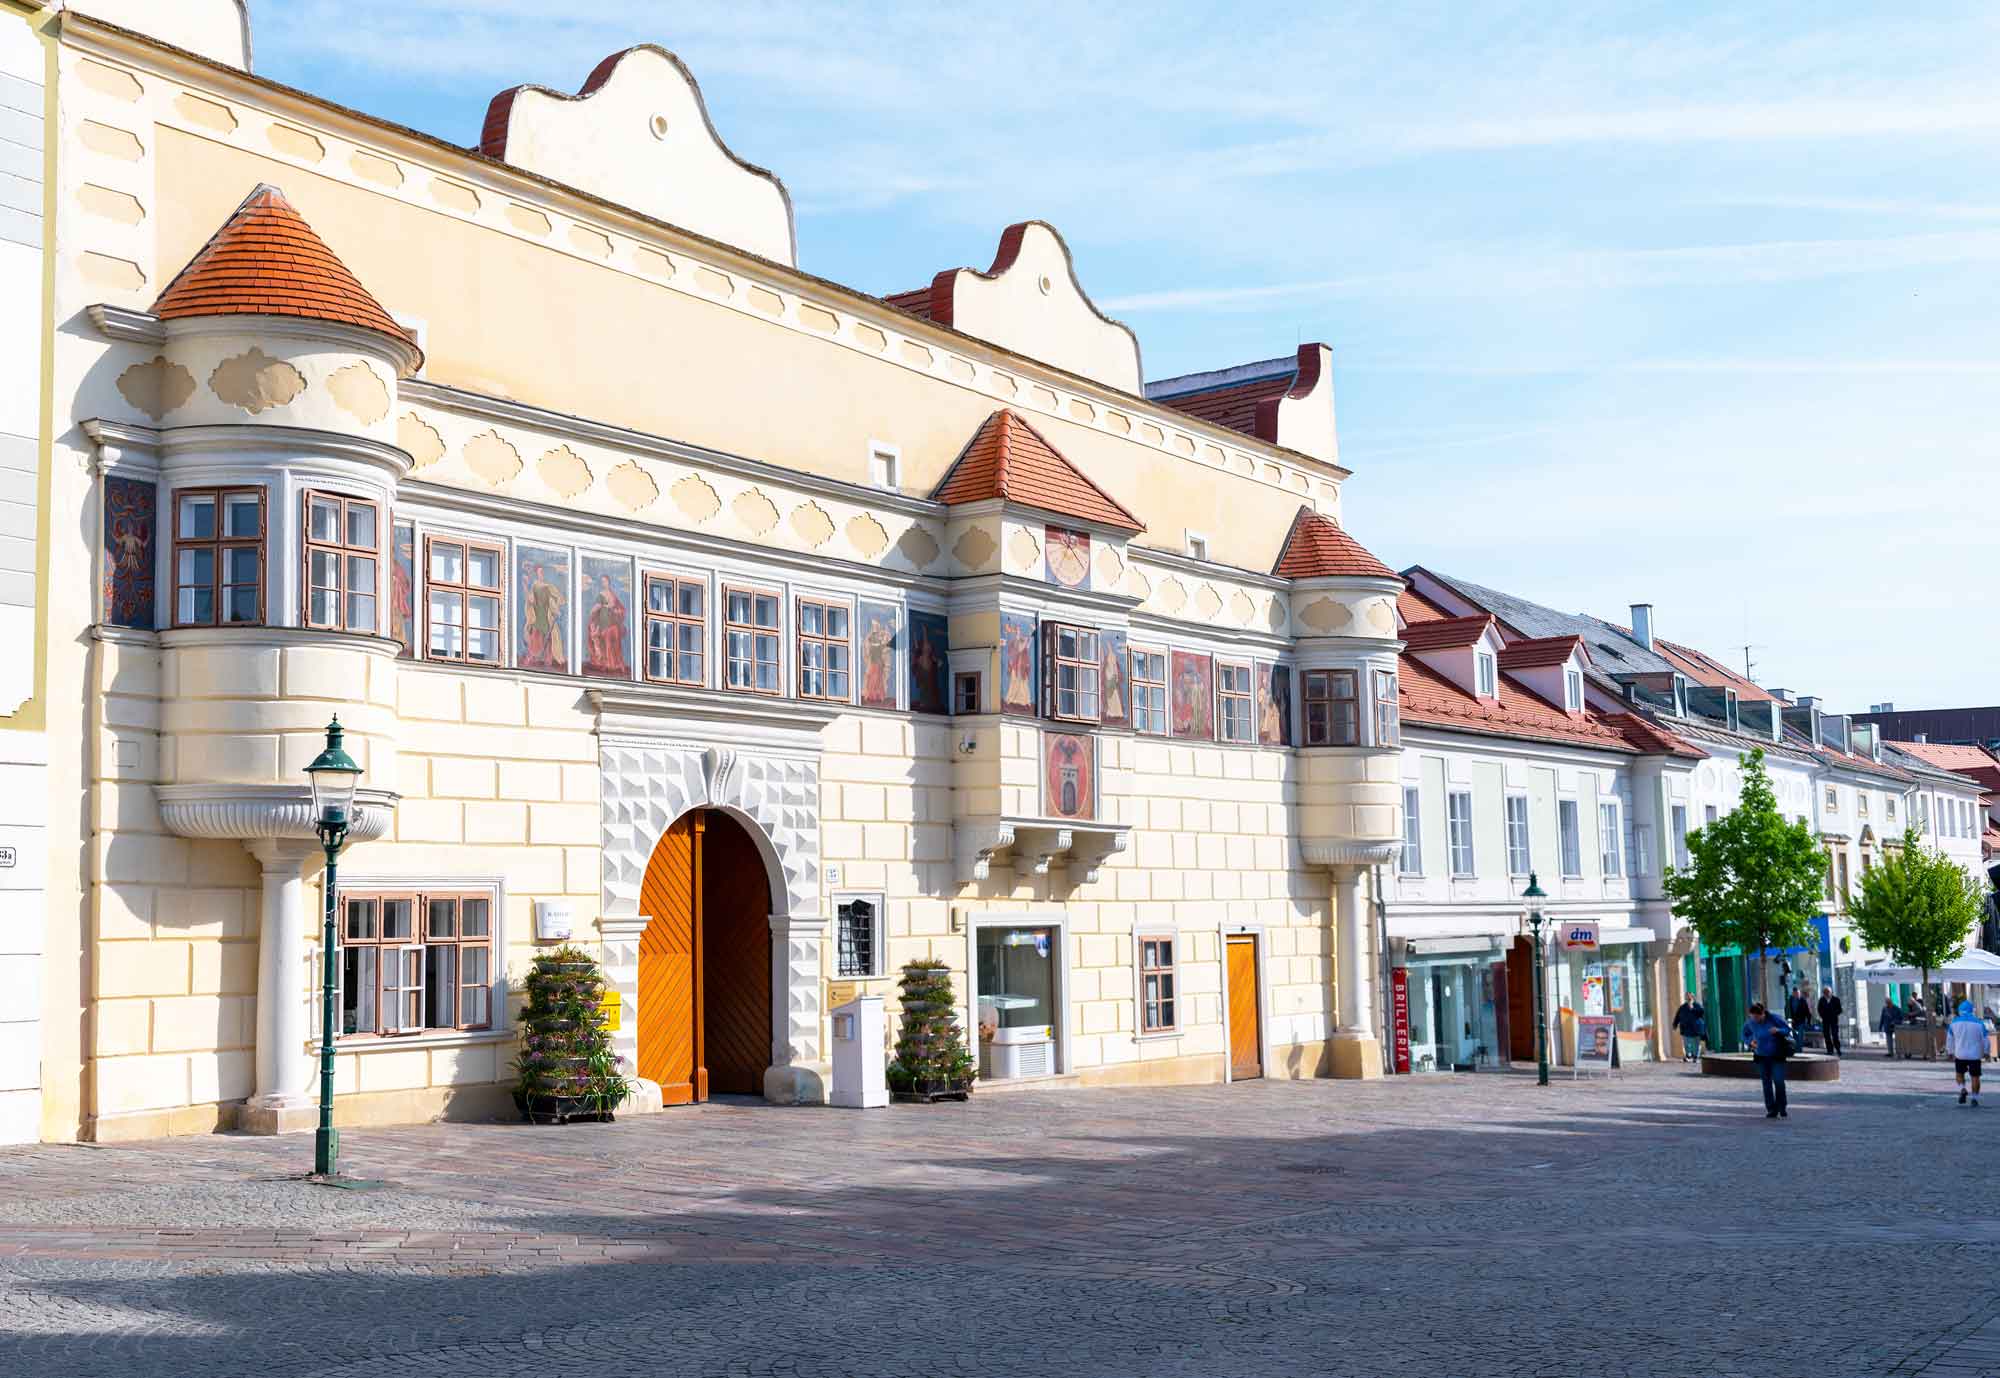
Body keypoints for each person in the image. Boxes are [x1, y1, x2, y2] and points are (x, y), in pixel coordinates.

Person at [1742, 1001, 1794, 1119]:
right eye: (1753, 1017)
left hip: (1776, 1056)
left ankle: (1782, 1107)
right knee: (1766, 1083)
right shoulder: (1751, 1023)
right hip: (1761, 1057)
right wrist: (1750, 1041)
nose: (1755, 1019)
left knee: (1779, 1081)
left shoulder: (1774, 1019)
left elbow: (1787, 1029)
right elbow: (1744, 1034)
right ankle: (1771, 1109)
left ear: (1763, 1014)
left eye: (1757, 1017)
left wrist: (1778, 1030)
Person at [1947, 1000, 1988, 1108]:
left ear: (1960, 1011)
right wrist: (1987, 1052)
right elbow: (1985, 1040)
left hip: (1960, 1054)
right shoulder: (1979, 1023)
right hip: (1975, 1055)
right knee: (1975, 1077)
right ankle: (1974, 1098)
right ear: (1972, 1010)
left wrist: (1950, 1052)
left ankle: (1962, 1089)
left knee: (1959, 1074)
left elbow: (1950, 1039)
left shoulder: (1954, 1023)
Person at [1672, 996, 1706, 1063]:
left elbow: (1701, 1013)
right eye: (1687, 998)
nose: (1689, 1000)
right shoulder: (1682, 1007)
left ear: (1693, 998)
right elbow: (1678, 1016)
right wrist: (1675, 1024)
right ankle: (1688, 1055)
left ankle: (1695, 1057)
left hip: (1696, 1029)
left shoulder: (1697, 1005)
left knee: (1696, 1044)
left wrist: (1693, 1009)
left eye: (1690, 998)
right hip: (1686, 1029)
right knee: (1687, 1043)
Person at [1817, 986, 1844, 1058]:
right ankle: (1830, 1050)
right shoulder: (1821, 1000)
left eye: (1828, 992)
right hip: (1825, 1020)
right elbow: (1819, 1009)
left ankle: (1838, 1049)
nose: (1827, 993)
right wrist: (1823, 1015)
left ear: (1831, 992)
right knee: (1827, 1035)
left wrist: (1834, 1013)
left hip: (1834, 1020)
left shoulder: (1836, 999)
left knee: (1835, 1035)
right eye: (1825, 992)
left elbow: (1840, 1010)